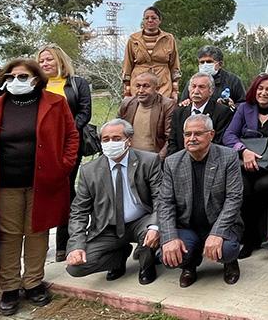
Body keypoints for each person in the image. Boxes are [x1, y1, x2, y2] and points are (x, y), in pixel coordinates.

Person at [0, 58, 79, 316]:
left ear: (36, 79)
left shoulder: (55, 103)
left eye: (22, 76)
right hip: (5, 184)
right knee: (9, 235)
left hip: (42, 182)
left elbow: (71, 136)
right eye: (10, 76)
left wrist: (63, 166)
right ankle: (9, 287)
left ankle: (33, 282)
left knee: (37, 232)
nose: (15, 81)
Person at [65, 119, 162, 285]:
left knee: (150, 233)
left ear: (129, 141)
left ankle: (147, 265)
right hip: (107, 227)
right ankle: (118, 257)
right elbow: (78, 211)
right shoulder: (89, 171)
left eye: (117, 138)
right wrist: (76, 246)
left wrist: (155, 226)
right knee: (75, 268)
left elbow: (161, 197)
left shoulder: (149, 161)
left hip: (141, 221)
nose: (111, 143)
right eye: (106, 139)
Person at [158, 114, 244, 286]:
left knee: (226, 250)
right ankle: (190, 264)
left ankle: (230, 262)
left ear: (211, 135)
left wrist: (217, 233)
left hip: (219, 222)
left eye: (197, 133)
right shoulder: (171, 162)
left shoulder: (228, 157)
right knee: (168, 255)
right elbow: (165, 203)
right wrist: (169, 238)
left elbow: (234, 198)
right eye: (187, 134)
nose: (192, 138)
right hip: (188, 225)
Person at [37, 44, 93, 262]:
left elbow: (84, 113)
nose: (45, 64)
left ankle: (65, 242)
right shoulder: (36, 86)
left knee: (66, 192)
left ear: (60, 60)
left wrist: (66, 131)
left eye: (49, 59)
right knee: (42, 194)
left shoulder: (77, 84)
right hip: (42, 148)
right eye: (41, 61)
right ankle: (39, 243)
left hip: (69, 146)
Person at [223, 73, 268, 256]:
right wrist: (243, 151)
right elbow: (229, 135)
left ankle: (265, 234)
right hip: (245, 161)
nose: (264, 92)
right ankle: (249, 238)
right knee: (243, 189)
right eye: (260, 88)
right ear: (254, 90)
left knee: (264, 186)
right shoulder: (244, 108)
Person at [167, 72, 234, 156]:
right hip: (181, 162)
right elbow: (172, 142)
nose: (196, 91)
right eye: (193, 86)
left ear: (211, 91)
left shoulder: (222, 112)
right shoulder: (179, 112)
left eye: (201, 87)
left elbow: (219, 143)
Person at [122, 6, 180, 99]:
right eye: (146, 18)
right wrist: (127, 91)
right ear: (143, 20)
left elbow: (174, 66)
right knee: (140, 111)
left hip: (163, 83)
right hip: (139, 84)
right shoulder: (133, 39)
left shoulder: (169, 38)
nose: (150, 20)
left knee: (162, 110)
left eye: (153, 18)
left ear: (159, 20)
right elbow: (127, 65)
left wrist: (175, 90)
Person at [119, 72, 177, 158]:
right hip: (130, 157)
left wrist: (159, 159)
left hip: (154, 158)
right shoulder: (127, 104)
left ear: (157, 89)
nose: (141, 91)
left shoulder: (167, 105)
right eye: (138, 86)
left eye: (146, 86)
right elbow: (117, 130)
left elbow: (170, 138)